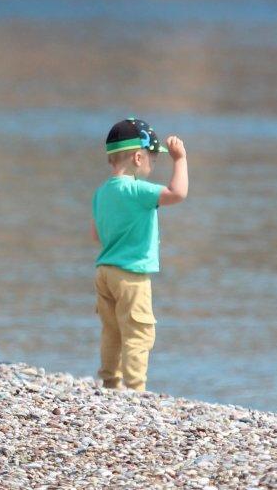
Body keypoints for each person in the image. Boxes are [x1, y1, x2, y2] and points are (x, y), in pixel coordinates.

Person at [92, 117, 188, 392]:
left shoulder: (101, 193)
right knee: (138, 331)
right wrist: (179, 159)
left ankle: (111, 381)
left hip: (104, 272)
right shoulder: (137, 190)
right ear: (137, 157)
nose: (153, 165)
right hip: (131, 274)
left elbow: (96, 235)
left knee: (111, 330)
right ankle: (135, 388)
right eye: (153, 159)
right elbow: (177, 192)